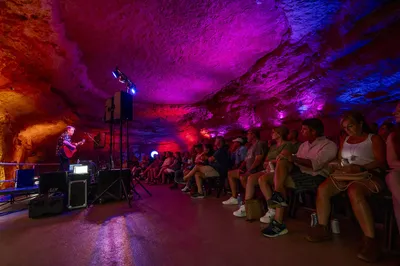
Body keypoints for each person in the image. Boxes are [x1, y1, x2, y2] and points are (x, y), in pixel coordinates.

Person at [306, 112, 386, 263]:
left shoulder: (373, 138)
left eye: (350, 126)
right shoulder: (346, 139)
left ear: (360, 124)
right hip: (347, 174)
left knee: (354, 191)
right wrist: (336, 165)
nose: (347, 130)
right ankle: (323, 227)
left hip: (368, 174)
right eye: (344, 127)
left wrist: (360, 168)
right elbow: (341, 159)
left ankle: (370, 240)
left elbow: (381, 162)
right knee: (323, 189)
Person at [260, 118, 337, 237]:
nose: (301, 131)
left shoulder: (329, 145)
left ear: (314, 131)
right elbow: (295, 162)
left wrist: (293, 158)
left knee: (280, 183)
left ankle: (278, 222)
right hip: (299, 173)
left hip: (315, 176)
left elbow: (315, 164)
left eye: (304, 129)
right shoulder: (304, 145)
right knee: (265, 178)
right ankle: (278, 198)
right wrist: (286, 157)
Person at [233, 126, 292, 218]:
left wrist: (270, 162)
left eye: (273, 132)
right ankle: (247, 206)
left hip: (280, 170)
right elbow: (266, 160)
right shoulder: (273, 147)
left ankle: (272, 209)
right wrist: (268, 163)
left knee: (261, 179)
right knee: (251, 178)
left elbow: (283, 158)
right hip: (268, 169)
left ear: (279, 134)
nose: (271, 134)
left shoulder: (287, 144)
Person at [222, 129, 267, 205]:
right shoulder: (251, 146)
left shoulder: (259, 144)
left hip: (256, 171)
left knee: (243, 177)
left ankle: (249, 200)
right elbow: (245, 160)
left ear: (253, 135)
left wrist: (249, 170)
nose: (247, 136)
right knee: (230, 173)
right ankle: (234, 197)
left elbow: (258, 160)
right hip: (248, 170)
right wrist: (240, 168)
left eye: (248, 134)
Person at [385, 102, 400, 249]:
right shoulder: (394, 137)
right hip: (398, 172)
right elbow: (392, 162)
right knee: (393, 178)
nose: (395, 113)